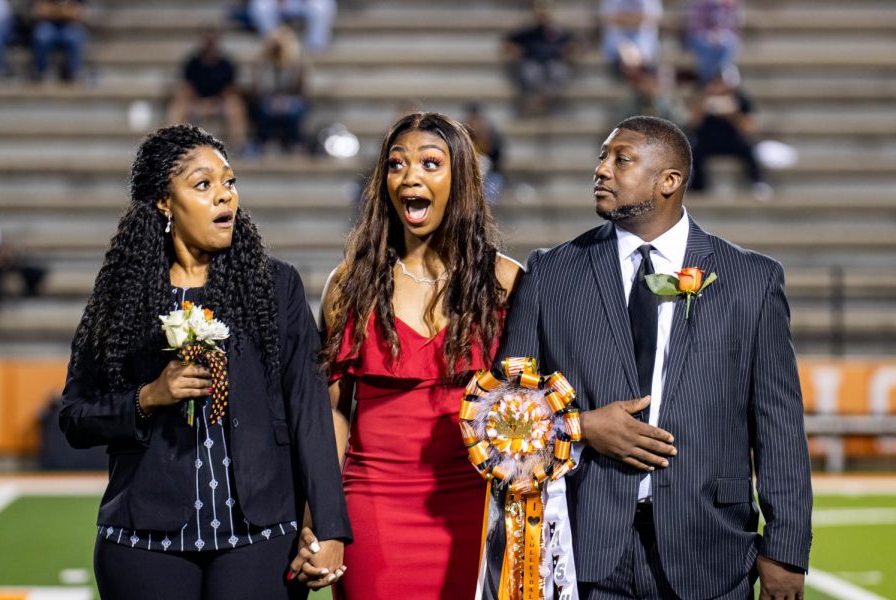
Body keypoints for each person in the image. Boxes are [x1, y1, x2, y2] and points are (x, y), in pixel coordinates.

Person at [497, 116, 812, 598]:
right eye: (602, 157)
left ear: (670, 181)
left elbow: (778, 422)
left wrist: (786, 548)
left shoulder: (752, 280)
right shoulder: (550, 272)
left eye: (620, 159)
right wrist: (579, 426)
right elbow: (505, 410)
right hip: (585, 549)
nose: (601, 170)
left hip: (712, 550)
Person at [59, 124, 351, 600]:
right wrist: (148, 397)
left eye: (229, 182)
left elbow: (311, 413)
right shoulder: (124, 296)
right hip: (144, 543)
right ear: (163, 203)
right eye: (203, 185)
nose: (224, 197)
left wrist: (330, 527)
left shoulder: (275, 286)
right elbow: (75, 417)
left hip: (259, 538)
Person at [310, 112, 523, 598]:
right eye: (397, 164)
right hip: (371, 504)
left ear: (462, 180)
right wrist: (320, 518)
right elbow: (333, 414)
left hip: (474, 503)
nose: (411, 176)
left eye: (431, 163)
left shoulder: (507, 282)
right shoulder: (350, 284)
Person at [689, 71, 771, 199]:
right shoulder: (703, 98)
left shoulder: (740, 99)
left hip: (733, 141)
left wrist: (732, 114)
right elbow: (693, 124)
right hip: (708, 142)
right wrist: (703, 106)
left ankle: (757, 182)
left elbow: (748, 127)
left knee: (749, 149)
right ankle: (698, 186)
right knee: (694, 152)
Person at [167, 31, 248, 153]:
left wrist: (213, 104)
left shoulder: (226, 64)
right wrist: (200, 104)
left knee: (235, 104)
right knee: (179, 104)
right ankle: (173, 143)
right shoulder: (193, 63)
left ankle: (238, 144)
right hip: (196, 102)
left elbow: (230, 90)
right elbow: (188, 87)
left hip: (220, 103)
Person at [504, 2, 576, 115]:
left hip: (553, 62)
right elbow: (509, 42)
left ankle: (542, 102)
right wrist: (514, 51)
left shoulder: (558, 32)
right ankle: (537, 102)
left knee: (558, 72)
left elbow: (573, 44)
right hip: (532, 62)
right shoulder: (527, 31)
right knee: (531, 73)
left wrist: (569, 51)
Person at [250, 25, 310, 154]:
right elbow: (258, 90)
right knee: (264, 108)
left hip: (290, 98)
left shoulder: (296, 62)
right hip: (268, 98)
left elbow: (301, 91)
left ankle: (294, 141)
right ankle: (266, 140)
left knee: (295, 108)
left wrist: (285, 100)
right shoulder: (262, 62)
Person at [600, 0, 663, 78]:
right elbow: (609, 19)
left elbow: (651, 18)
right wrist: (635, 19)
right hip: (616, 39)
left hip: (643, 39)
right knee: (625, 51)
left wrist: (623, 19)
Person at [686, 0, 742, 84]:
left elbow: (734, 28)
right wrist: (709, 35)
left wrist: (720, 35)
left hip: (723, 39)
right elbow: (695, 27)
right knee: (706, 49)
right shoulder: (701, 3)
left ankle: (720, 77)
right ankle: (708, 80)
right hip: (702, 37)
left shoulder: (730, 5)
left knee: (728, 45)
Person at [29, 0, 87, 82]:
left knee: (74, 37)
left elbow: (78, 13)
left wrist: (51, 11)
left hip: (69, 26)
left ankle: (72, 72)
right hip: (47, 25)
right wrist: (65, 11)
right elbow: (39, 11)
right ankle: (40, 72)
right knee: (42, 36)